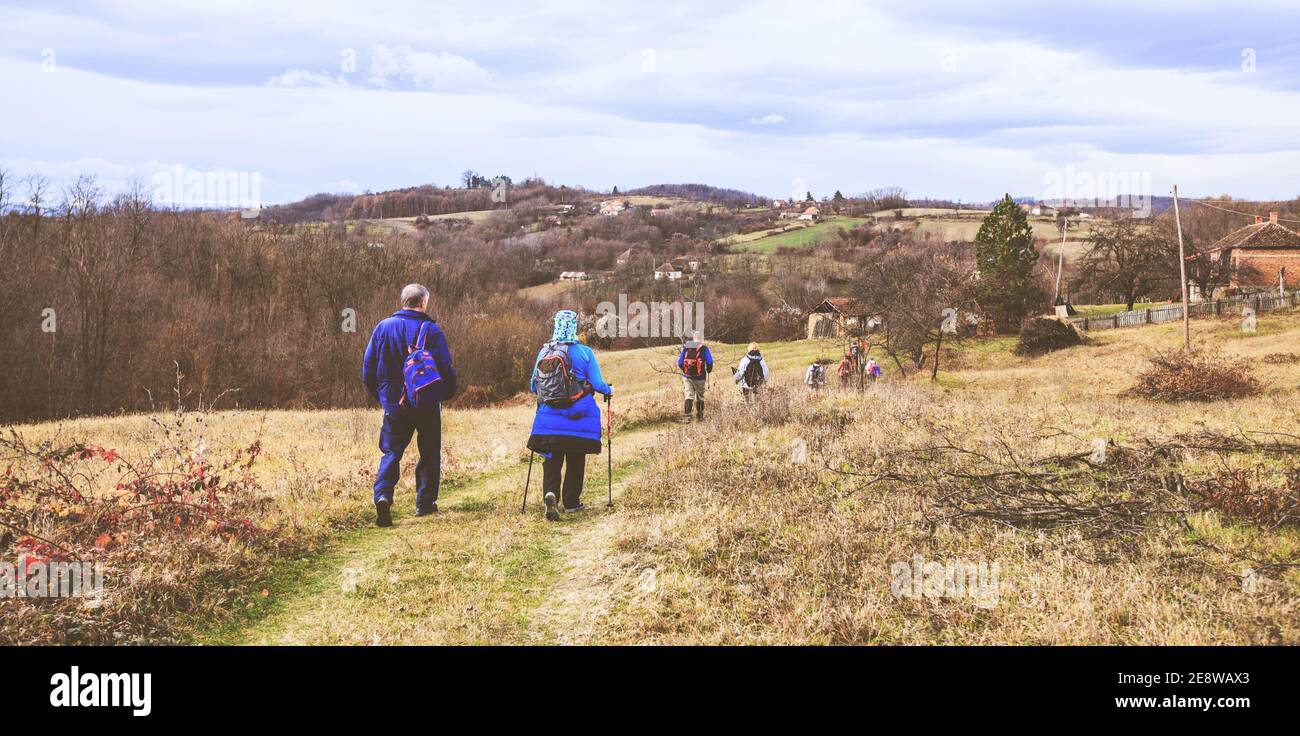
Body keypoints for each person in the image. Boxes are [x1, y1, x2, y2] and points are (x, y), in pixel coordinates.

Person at [362, 284, 457, 528]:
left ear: (402, 301)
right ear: (423, 303)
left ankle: (383, 495)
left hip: (394, 403)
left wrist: (383, 397)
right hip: (425, 402)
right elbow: (444, 367)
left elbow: (368, 369)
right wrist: (445, 393)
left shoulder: (382, 328)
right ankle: (424, 503)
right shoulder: (431, 330)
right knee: (429, 452)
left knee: (391, 452)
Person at [527, 310, 613, 521]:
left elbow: (533, 385)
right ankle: (572, 502)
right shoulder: (585, 353)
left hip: (549, 419)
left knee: (551, 459)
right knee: (576, 458)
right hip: (579, 418)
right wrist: (608, 390)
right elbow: (597, 383)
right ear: (574, 326)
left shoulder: (544, 352)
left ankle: (551, 495)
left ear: (555, 325)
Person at [677, 330, 713, 422]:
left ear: (693, 338)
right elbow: (710, 362)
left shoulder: (685, 347)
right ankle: (700, 416)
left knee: (689, 395)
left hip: (687, 376)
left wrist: (686, 370)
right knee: (700, 396)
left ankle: (687, 417)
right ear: (701, 339)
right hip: (700, 377)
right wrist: (708, 370)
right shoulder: (704, 349)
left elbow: (680, 362)